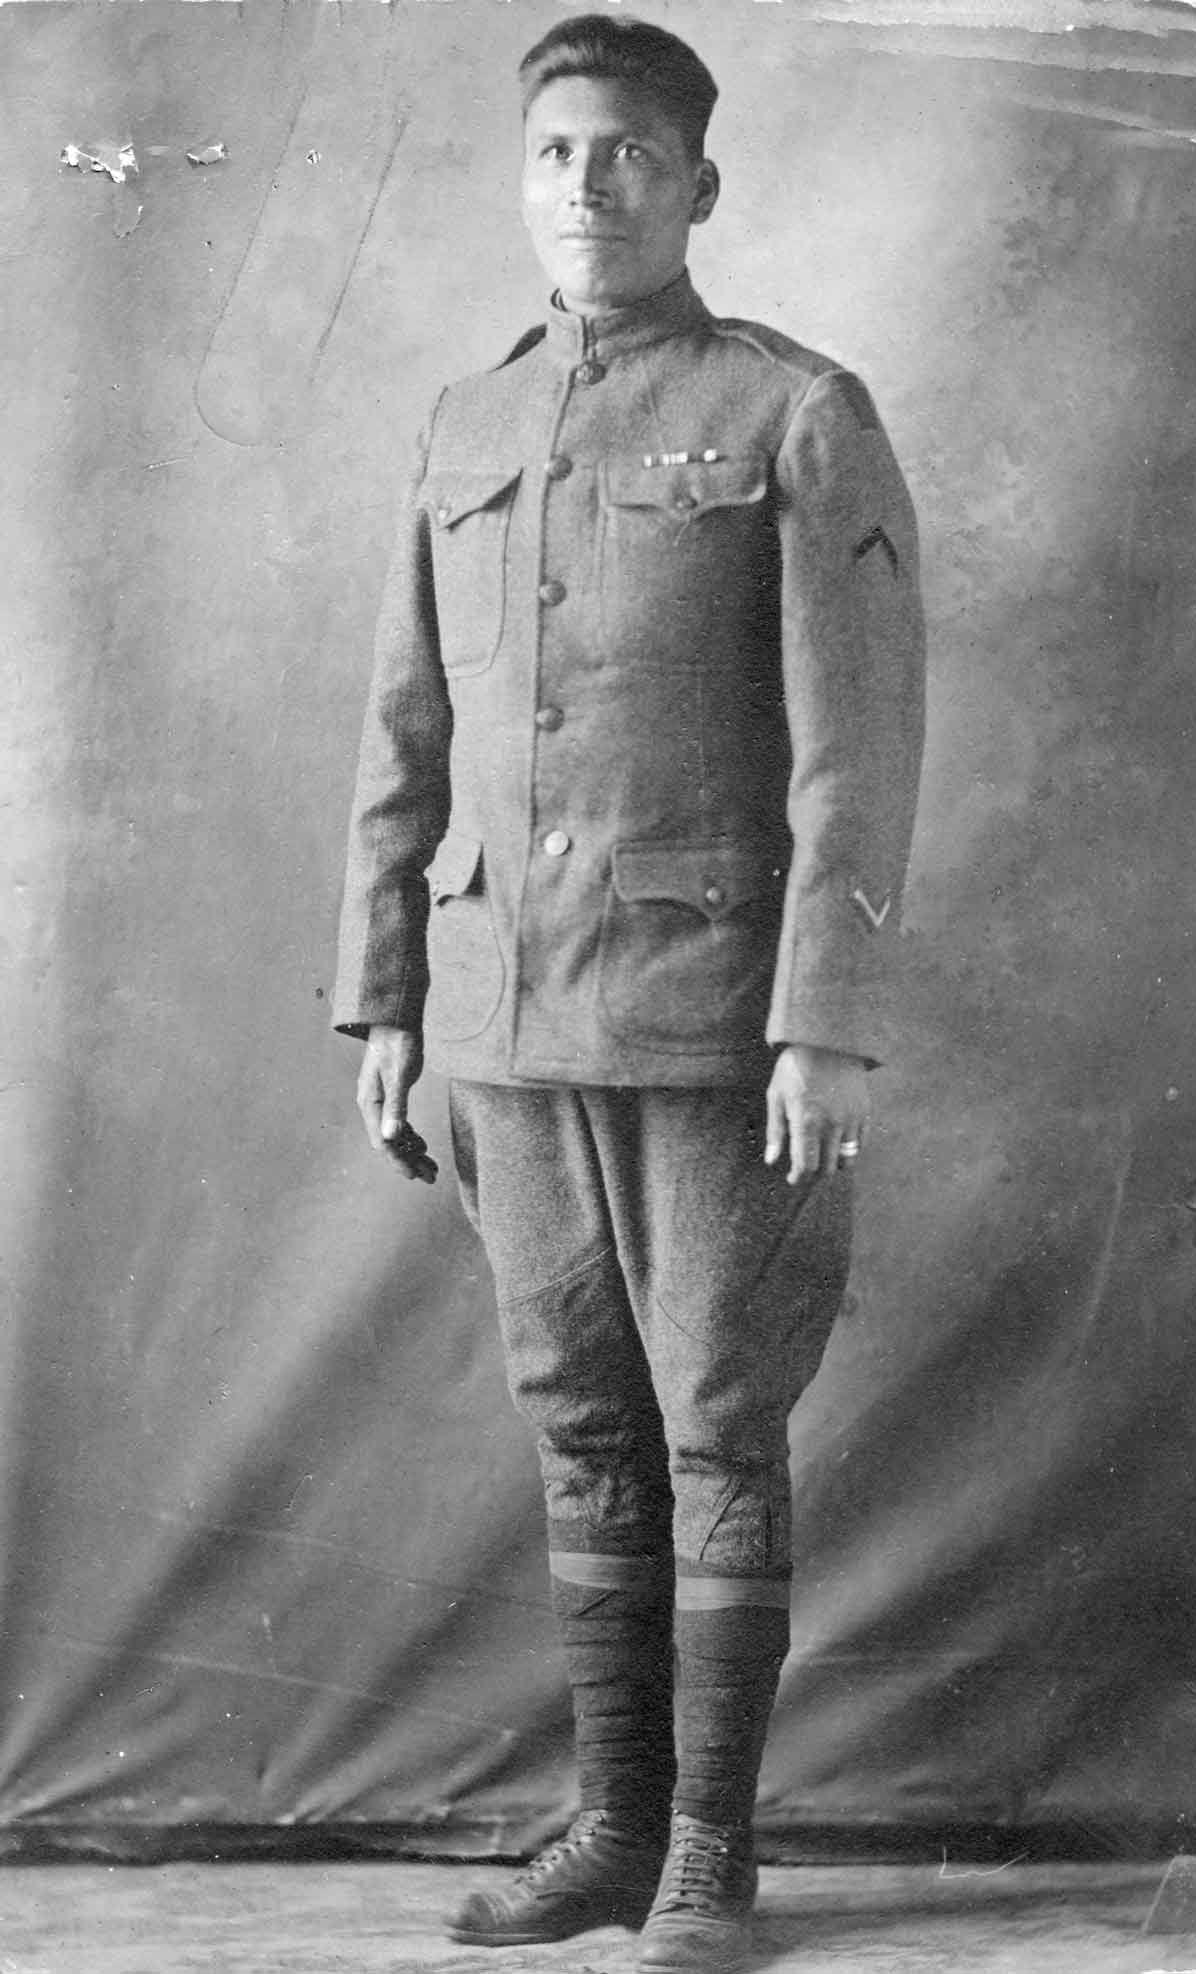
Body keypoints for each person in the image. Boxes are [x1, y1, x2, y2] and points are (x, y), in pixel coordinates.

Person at [333, 16, 925, 1971]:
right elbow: (404, 740)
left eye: (626, 155)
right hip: (503, 1015)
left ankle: (708, 1853)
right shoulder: (466, 426)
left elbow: (859, 745)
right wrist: (388, 1000)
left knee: (714, 1422)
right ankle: (607, 1822)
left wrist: (822, 1014)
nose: (584, 190)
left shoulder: (793, 414)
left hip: (716, 1017)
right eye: (554, 156)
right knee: (576, 1421)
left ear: (698, 185)